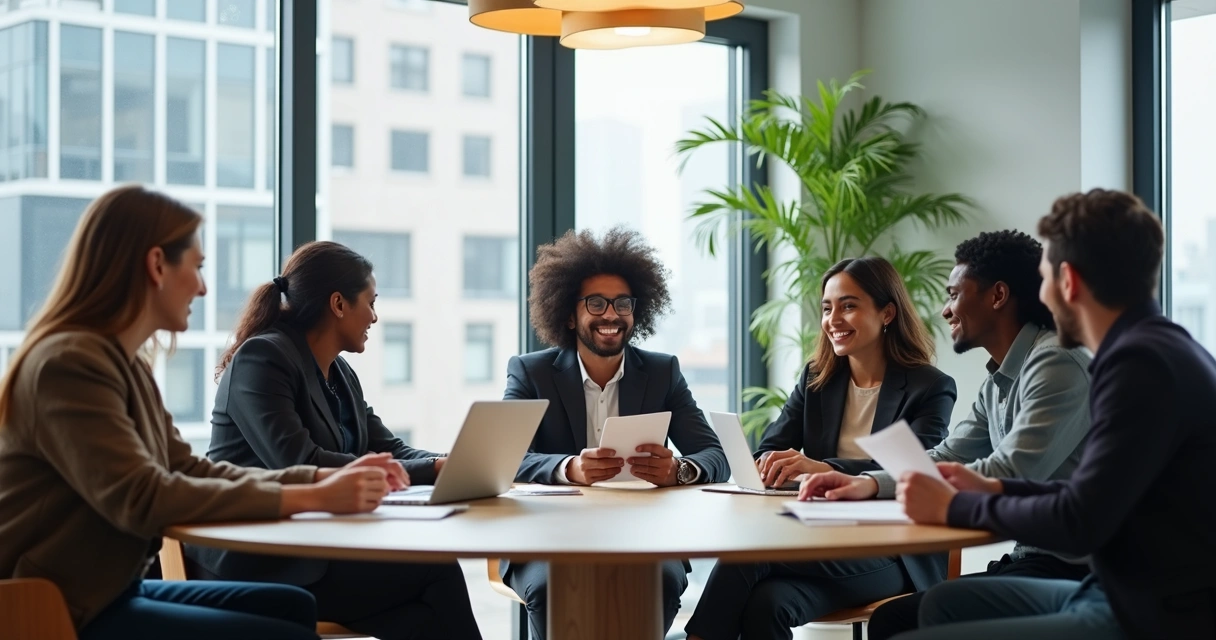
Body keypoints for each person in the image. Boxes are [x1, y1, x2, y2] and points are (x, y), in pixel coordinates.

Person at [0, 186, 402, 640]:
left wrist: (315, 480)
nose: (203, 287)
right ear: (156, 265)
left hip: (109, 589)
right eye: (197, 267)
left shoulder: (124, 363)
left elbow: (187, 468)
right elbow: (143, 497)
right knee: (285, 633)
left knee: (292, 608)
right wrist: (311, 496)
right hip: (51, 604)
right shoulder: (69, 364)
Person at [892, 189, 1216, 639]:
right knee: (942, 605)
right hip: (1113, 589)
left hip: (1150, 612)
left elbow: (1079, 522)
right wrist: (995, 487)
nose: (1040, 295)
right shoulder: (1155, 347)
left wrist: (960, 504)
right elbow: (1086, 494)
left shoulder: (1138, 365)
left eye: (1044, 279)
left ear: (1069, 281)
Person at [798, 232, 1094, 640]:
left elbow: (1011, 470)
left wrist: (926, 492)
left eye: (954, 295)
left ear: (998, 295)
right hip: (1035, 556)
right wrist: (864, 483)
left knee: (902, 619)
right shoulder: (999, 381)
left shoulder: (1056, 362)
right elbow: (947, 453)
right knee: (897, 618)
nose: (945, 310)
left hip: (1081, 567)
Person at [187, 241, 482, 640]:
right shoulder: (263, 358)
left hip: (316, 548)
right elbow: (299, 462)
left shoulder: (339, 373)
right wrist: (431, 469)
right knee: (435, 570)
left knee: (425, 617)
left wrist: (453, 461)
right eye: (371, 302)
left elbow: (389, 449)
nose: (374, 317)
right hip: (259, 561)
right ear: (339, 304)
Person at [685, 256, 957, 640]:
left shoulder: (930, 387)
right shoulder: (817, 378)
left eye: (849, 305)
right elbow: (771, 447)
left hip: (893, 554)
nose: (833, 319)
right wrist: (773, 464)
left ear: (887, 313)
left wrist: (819, 467)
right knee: (768, 605)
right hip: (818, 540)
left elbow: (911, 471)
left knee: (747, 557)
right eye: (827, 308)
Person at [501, 227, 730, 639]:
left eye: (622, 303)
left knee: (662, 580)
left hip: (642, 536)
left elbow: (716, 455)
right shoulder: (531, 372)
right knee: (551, 588)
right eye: (596, 303)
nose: (611, 314)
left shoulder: (662, 373)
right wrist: (570, 468)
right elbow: (506, 455)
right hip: (548, 537)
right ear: (569, 314)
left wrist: (679, 470)